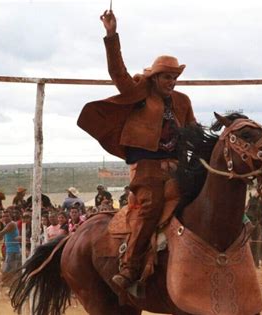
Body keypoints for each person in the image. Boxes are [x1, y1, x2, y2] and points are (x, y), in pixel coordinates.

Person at [77, 9, 196, 294]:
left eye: (174, 77)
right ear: (155, 78)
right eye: (166, 77)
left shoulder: (182, 101)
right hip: (146, 169)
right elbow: (117, 73)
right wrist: (111, 35)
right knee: (151, 207)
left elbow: (192, 133)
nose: (171, 82)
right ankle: (130, 267)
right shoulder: (139, 92)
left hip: (177, 167)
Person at [0, 211, 21, 287]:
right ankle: (11, 286)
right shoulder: (7, 224)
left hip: (13, 251)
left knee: (8, 270)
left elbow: (2, 233)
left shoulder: (11, 224)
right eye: (3, 216)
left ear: (10, 216)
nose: (5, 218)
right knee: (12, 270)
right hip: (10, 250)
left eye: (7, 216)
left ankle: (7, 285)